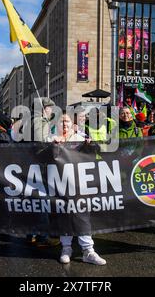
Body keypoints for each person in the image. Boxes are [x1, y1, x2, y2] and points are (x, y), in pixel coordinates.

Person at [53, 112, 106, 265]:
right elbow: (39, 156)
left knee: (82, 215)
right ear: (56, 125)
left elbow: (97, 151)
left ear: (72, 124)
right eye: (61, 121)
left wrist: (91, 144)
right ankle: (66, 248)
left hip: (79, 184)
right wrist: (52, 147)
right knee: (65, 215)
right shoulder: (51, 139)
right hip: (60, 184)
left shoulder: (80, 137)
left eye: (67, 121)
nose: (64, 124)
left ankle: (88, 250)